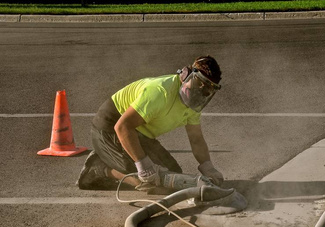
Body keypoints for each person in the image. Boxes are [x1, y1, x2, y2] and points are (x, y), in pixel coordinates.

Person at [76, 55, 224, 191]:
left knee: (173, 176)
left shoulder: (194, 104)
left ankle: (119, 161)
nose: (201, 92)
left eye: (208, 89)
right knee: (151, 180)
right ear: (186, 75)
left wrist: (208, 167)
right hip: (110, 128)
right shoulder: (160, 92)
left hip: (138, 133)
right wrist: (143, 165)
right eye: (200, 84)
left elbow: (196, 139)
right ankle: (98, 168)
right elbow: (122, 126)